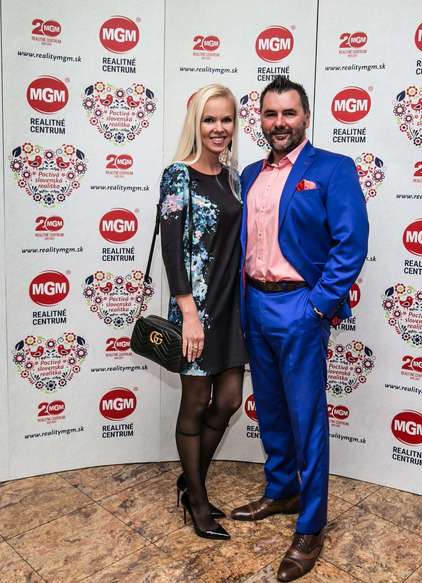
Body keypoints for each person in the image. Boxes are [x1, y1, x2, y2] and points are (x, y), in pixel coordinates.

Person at [231, 77, 369, 581]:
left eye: (288, 113)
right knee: (270, 409)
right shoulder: (249, 173)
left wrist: (317, 307)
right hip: (254, 304)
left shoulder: (333, 169)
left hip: (299, 306)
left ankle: (311, 525)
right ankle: (282, 491)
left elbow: (351, 244)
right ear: (261, 120)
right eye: (270, 114)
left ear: (306, 116)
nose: (279, 123)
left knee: (306, 418)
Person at [160, 84, 247, 540]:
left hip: (231, 309)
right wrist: (188, 313)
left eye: (226, 119)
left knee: (228, 401)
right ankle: (196, 498)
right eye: (209, 119)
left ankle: (188, 479)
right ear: (196, 124)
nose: (218, 128)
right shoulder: (178, 175)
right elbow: (171, 249)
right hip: (195, 310)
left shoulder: (233, 178)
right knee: (195, 403)